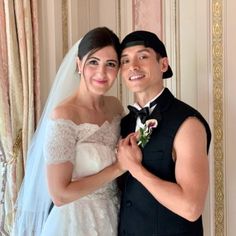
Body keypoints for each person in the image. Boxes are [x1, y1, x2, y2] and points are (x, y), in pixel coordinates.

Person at [13, 27, 124, 236]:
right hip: (74, 223)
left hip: (112, 216)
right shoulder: (64, 115)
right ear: (79, 64)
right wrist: (118, 168)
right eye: (93, 62)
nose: (102, 72)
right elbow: (59, 194)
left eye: (110, 64)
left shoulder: (116, 108)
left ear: (118, 69)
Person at [117, 30, 211, 236]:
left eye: (143, 56)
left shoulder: (188, 124)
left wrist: (135, 168)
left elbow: (191, 208)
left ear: (163, 64)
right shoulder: (123, 124)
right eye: (125, 61)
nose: (133, 66)